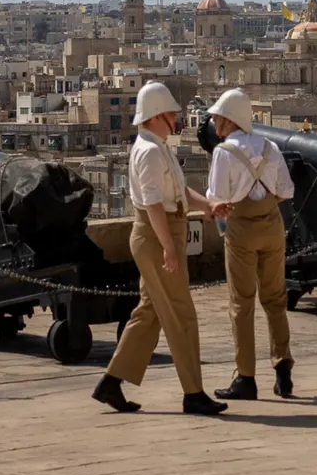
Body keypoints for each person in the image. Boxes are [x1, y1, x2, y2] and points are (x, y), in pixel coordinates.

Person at [93, 81, 229, 417]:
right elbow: (154, 206)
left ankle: (111, 381)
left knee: (149, 313)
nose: (175, 119)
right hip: (158, 236)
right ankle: (193, 392)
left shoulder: (157, 147)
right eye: (170, 113)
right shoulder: (151, 151)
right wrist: (169, 248)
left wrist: (209, 206)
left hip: (161, 233)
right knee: (181, 314)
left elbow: (178, 193)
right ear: (156, 116)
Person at [206, 87, 296, 401]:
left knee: (241, 303)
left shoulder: (224, 152)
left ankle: (246, 376)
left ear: (229, 120)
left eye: (218, 117)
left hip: (241, 230)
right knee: (276, 299)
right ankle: (283, 369)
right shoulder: (270, 147)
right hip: (272, 225)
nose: (214, 122)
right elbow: (286, 191)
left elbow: (216, 197)